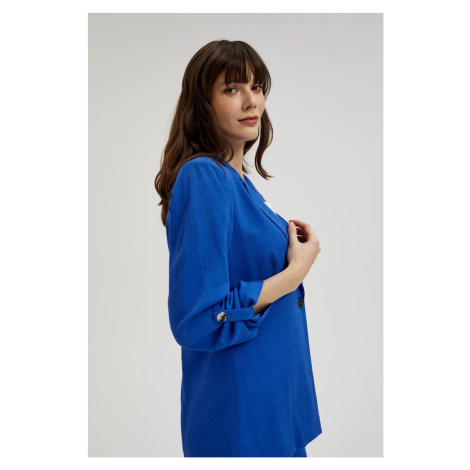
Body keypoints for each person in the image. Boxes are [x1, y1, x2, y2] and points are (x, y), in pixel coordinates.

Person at [154, 39, 322, 457]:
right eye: (231, 89)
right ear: (202, 103)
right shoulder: (203, 176)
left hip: (271, 406)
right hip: (240, 416)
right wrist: (293, 274)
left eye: (256, 87)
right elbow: (197, 319)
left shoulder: (239, 183)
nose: (251, 101)